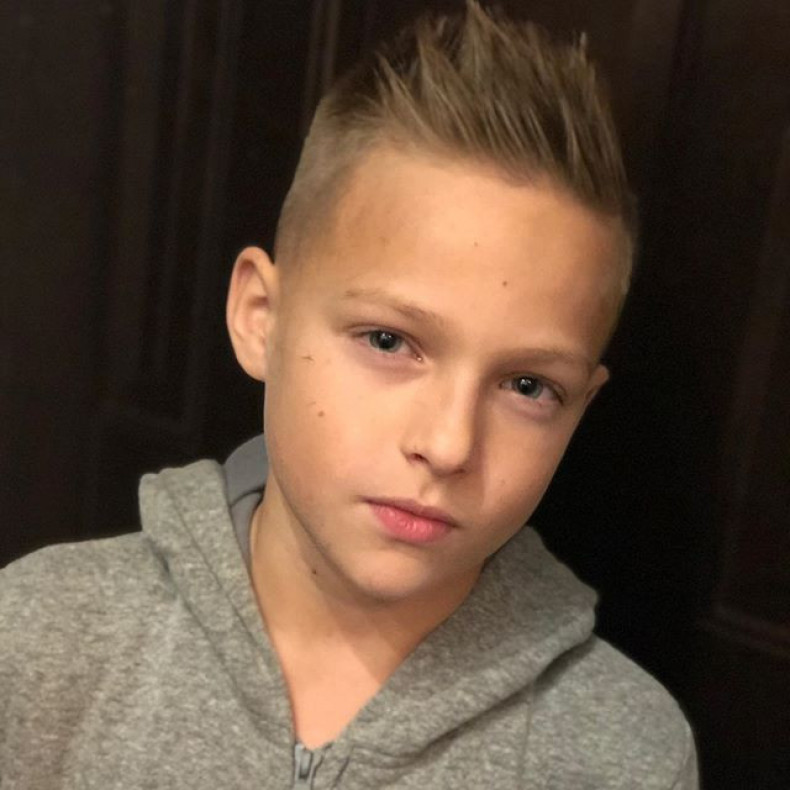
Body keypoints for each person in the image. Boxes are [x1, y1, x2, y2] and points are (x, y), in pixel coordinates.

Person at [0, 2, 698, 787]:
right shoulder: (38, 638)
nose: (448, 444)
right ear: (260, 318)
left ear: (580, 409)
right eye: (388, 341)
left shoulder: (626, 755)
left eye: (528, 386)